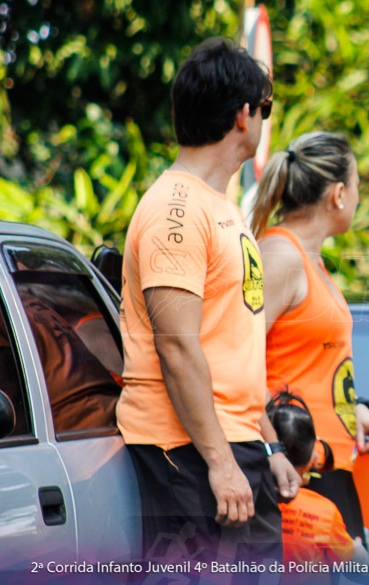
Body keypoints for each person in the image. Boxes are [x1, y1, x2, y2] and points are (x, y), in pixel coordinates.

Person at [116, 37, 300, 565]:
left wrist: (269, 447)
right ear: (244, 116)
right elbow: (177, 347)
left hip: (234, 445)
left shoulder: (218, 205)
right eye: (266, 109)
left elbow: (230, 349)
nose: (265, 121)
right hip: (189, 451)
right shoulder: (175, 209)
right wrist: (219, 462)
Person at [251, 131, 369, 544]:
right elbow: (236, 362)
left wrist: (355, 409)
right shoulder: (280, 255)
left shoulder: (308, 259)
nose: (359, 197)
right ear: (339, 194)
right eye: (359, 187)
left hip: (328, 464)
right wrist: (274, 451)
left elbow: (313, 362)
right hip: (295, 471)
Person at [266, 389, 367, 567]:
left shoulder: (248, 503)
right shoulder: (324, 513)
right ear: (312, 456)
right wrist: (358, 548)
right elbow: (358, 563)